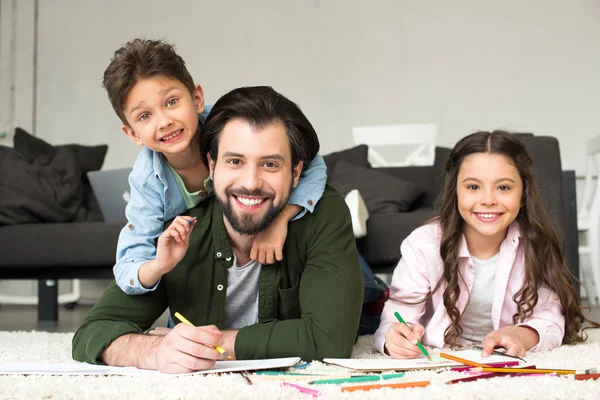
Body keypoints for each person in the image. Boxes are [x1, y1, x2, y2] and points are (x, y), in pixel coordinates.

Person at [72, 86, 364, 373]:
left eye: (270, 164)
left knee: (369, 305)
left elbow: (329, 340)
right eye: (235, 161)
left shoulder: (324, 210)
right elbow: (92, 332)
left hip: (341, 270)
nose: (250, 182)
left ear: (297, 172)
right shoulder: (180, 229)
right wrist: (154, 350)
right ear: (211, 165)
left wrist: (210, 344)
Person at [102, 39, 327, 295]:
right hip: (215, 255)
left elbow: (313, 162)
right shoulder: (147, 181)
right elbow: (128, 266)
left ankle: (368, 291)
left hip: (265, 221)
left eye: (172, 102)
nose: (164, 121)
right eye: (145, 116)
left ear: (197, 98)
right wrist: (159, 265)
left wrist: (282, 218)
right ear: (133, 134)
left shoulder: (229, 125)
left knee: (319, 211)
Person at [374, 130, 596, 359]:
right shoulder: (423, 245)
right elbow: (395, 320)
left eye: (503, 187)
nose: (488, 200)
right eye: (472, 187)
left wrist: (520, 335)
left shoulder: (536, 243)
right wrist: (395, 339)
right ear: (455, 192)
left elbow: (550, 318)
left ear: (523, 195)